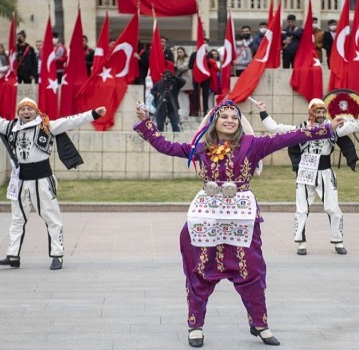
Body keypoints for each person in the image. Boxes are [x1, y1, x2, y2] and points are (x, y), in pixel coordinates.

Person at [133, 99, 343, 348]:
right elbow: (166, 146)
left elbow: (289, 137)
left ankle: (260, 323)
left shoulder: (253, 145)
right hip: (208, 217)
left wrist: (327, 128)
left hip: (242, 219)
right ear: (214, 121)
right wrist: (146, 122)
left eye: (235, 116)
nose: (230, 120)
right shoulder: (201, 147)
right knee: (199, 269)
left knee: (251, 270)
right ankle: (195, 326)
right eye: (224, 116)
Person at [0, 87, 106, 270]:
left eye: (29, 109)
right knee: (17, 218)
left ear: (36, 111)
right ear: (18, 112)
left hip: (43, 179)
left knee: (52, 218)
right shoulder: (10, 127)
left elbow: (72, 121)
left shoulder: (47, 126)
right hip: (21, 180)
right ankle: (13, 255)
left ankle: (57, 255)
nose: (26, 111)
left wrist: (94, 114)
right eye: (22, 109)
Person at [258, 98, 359, 256]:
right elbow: (276, 128)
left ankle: (338, 240)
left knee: (333, 208)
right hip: (305, 172)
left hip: (325, 172)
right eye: (317, 111)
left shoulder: (333, 127)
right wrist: (262, 111)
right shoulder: (300, 129)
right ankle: (301, 242)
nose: (320, 115)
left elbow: (358, 124)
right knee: (302, 208)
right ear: (311, 112)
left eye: (323, 111)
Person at [175, 47, 193, 118]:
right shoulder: (178, 60)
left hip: (186, 80)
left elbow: (184, 67)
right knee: (180, 97)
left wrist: (176, 67)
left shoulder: (187, 59)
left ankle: (185, 112)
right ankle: (182, 111)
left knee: (185, 97)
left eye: (181, 52)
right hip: (179, 80)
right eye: (178, 52)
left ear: (184, 52)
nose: (179, 53)